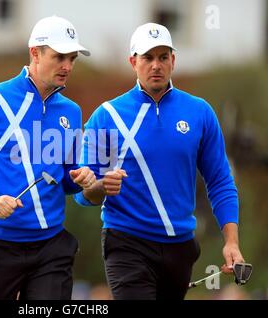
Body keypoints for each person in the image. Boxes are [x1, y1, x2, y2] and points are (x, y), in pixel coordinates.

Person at [74, 22, 244, 300]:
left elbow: (221, 182)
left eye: (163, 57)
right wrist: (102, 186)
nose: (156, 65)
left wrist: (231, 242)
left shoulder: (199, 112)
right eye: (148, 58)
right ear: (133, 62)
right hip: (126, 241)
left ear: (173, 61)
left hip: (180, 246)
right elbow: (84, 195)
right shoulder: (108, 116)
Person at [0, 16, 96, 300]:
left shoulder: (71, 111)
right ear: (34, 53)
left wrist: (81, 177)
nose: (68, 66)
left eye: (72, 58)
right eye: (60, 56)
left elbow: (67, 177)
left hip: (51, 247)